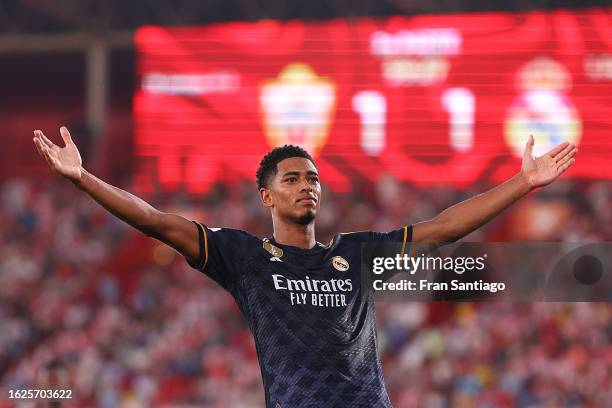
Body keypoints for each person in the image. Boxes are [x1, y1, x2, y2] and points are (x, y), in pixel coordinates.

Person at [33, 126, 577, 407]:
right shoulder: (243, 257)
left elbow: (443, 229)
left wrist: (522, 183)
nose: (306, 186)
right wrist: (84, 179)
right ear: (267, 197)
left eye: (313, 178)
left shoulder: (358, 253)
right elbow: (156, 221)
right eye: (292, 179)